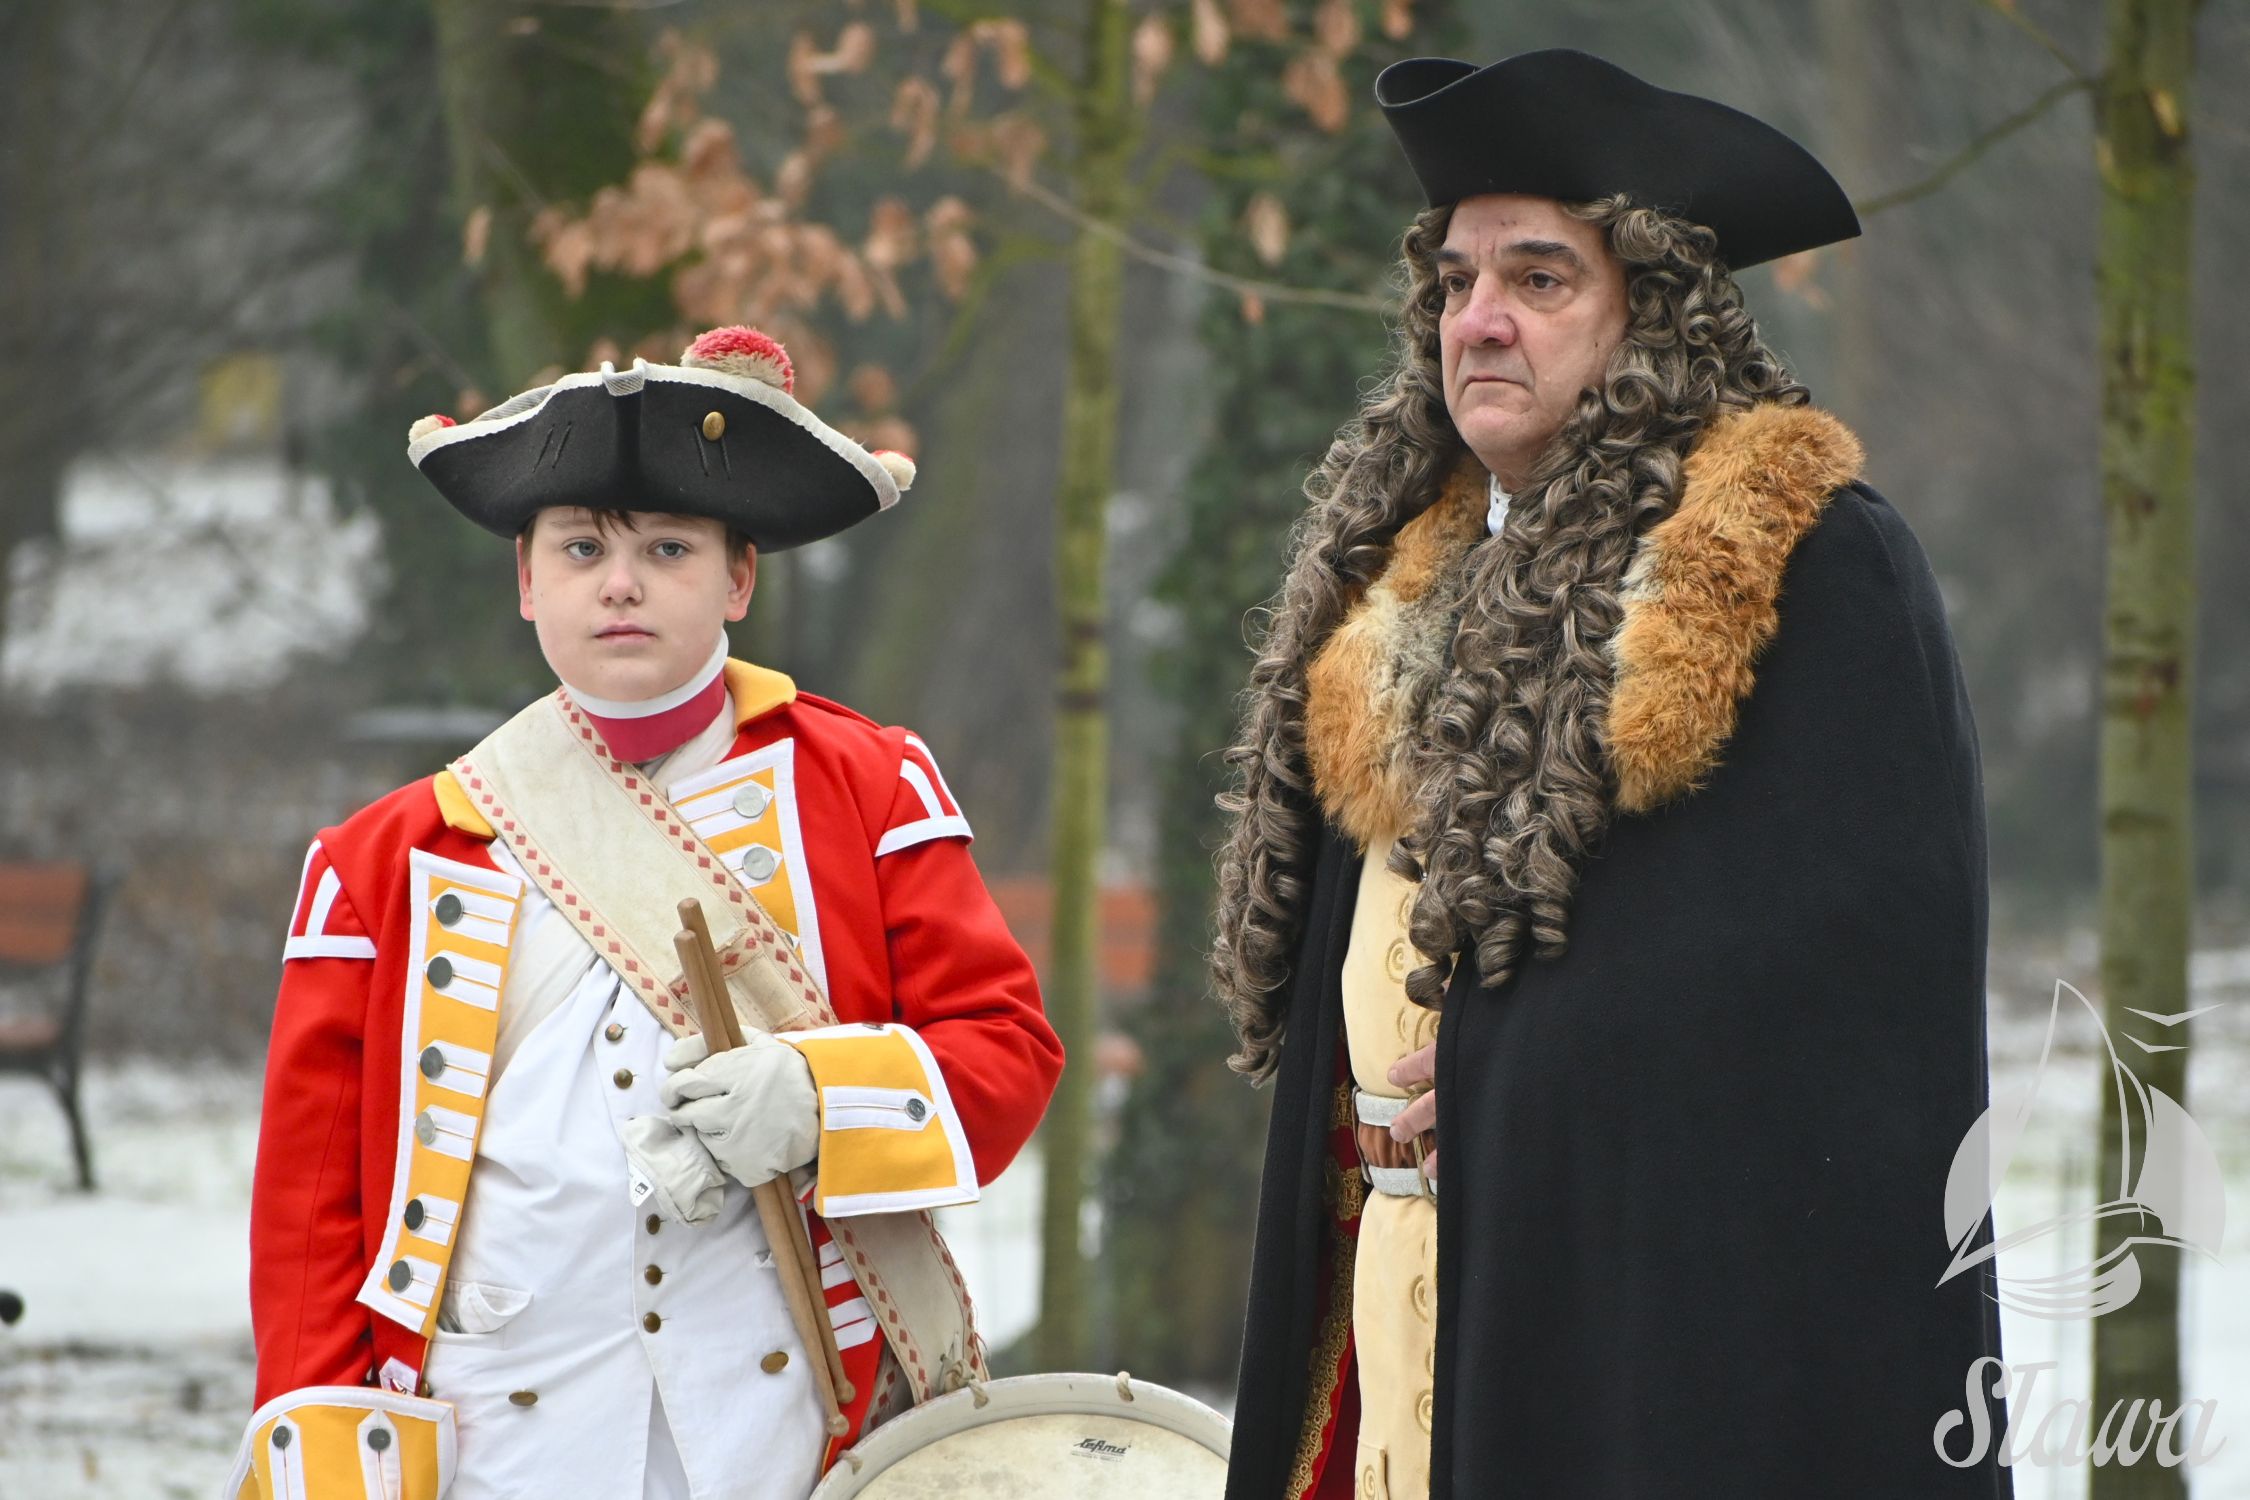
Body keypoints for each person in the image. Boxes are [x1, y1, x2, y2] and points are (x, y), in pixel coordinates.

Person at [1213, 50, 2009, 1500]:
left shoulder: (1810, 566)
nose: (1479, 319)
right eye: (1455, 281)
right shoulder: (1395, 581)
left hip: (1654, 1338)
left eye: (1539, 278)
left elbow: (1855, 991)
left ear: (1654, 309)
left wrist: (1512, 1075)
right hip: (1396, 1304)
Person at [225, 327, 1064, 1500]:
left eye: (668, 547)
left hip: (779, 1432)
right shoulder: (382, 859)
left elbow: (1006, 1052)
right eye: (581, 548)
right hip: (498, 1438)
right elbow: (312, 1213)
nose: (620, 584)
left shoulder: (868, 787)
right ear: (528, 583)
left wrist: (818, 1099)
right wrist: (323, 1446)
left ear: (738, 579)